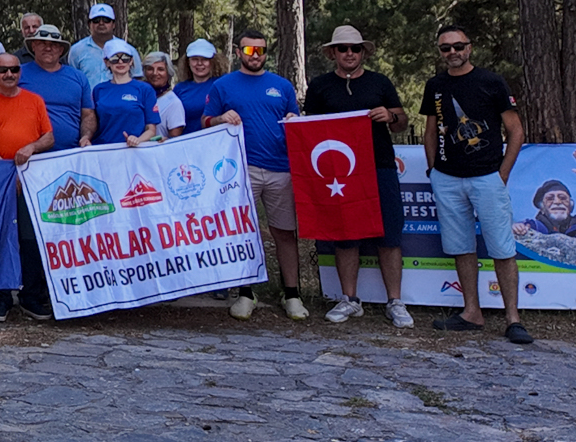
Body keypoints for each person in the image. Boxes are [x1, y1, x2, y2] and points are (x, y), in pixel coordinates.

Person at [422, 26, 532, 344]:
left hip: (487, 177)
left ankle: (513, 318)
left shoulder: (491, 82)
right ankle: (472, 312)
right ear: (440, 53)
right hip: (448, 178)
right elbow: (431, 130)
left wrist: (503, 173)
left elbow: (516, 130)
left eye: (458, 46)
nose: (452, 52)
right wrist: (433, 170)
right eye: (445, 48)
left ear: (470, 48)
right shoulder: (436, 85)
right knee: (460, 247)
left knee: (502, 247)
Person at [304, 25, 413, 329]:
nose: (349, 53)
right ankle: (349, 298)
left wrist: (390, 116)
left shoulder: (380, 82)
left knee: (389, 233)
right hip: (340, 173)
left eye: (355, 48)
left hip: (379, 165)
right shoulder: (320, 86)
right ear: (332, 53)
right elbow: (309, 128)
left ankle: (395, 300)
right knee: (345, 234)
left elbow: (402, 122)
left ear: (364, 51)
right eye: (343, 49)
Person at [203, 34, 307, 321]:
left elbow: (294, 121)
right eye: (249, 49)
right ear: (239, 52)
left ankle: (292, 293)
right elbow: (205, 121)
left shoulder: (282, 86)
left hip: (280, 168)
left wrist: (295, 122)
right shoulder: (223, 85)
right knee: (243, 231)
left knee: (284, 232)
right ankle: (245, 291)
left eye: (260, 49)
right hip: (240, 168)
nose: (255, 54)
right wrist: (222, 118)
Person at [0, 51, 57, 321]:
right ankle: (1, 298)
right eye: (3, 70)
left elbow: (49, 137)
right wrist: (7, 172)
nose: (9, 75)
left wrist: (30, 147)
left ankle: (31, 297)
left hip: (31, 179)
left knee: (30, 240)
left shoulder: (35, 101)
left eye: (14, 70)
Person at [18, 26, 95, 149]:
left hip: (70, 154)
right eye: (42, 43)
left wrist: (86, 136)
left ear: (60, 50)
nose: (48, 48)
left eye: (54, 45)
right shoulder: (17, 74)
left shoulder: (78, 77)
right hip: (28, 154)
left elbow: (88, 114)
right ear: (33, 46)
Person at [90, 41, 162, 146]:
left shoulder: (145, 89)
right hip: (104, 150)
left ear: (131, 61)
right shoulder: (98, 90)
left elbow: (151, 129)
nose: (120, 62)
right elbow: (94, 124)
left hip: (134, 151)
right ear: (107, 62)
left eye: (125, 58)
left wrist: (138, 140)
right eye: (114, 59)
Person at [172, 39, 222, 134]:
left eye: (205, 59)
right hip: (187, 144)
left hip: (216, 143)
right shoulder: (179, 89)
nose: (199, 63)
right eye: (195, 59)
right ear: (188, 62)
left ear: (213, 62)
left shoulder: (221, 84)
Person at [68, 3, 118, 89]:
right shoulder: (76, 50)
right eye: (96, 20)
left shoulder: (127, 50)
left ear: (113, 24)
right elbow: (72, 80)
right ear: (89, 24)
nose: (101, 23)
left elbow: (136, 79)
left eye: (106, 20)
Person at [143, 51, 188, 137]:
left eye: (160, 69)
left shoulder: (173, 103)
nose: (155, 73)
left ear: (168, 73)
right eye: (150, 69)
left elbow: (174, 139)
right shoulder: (138, 97)